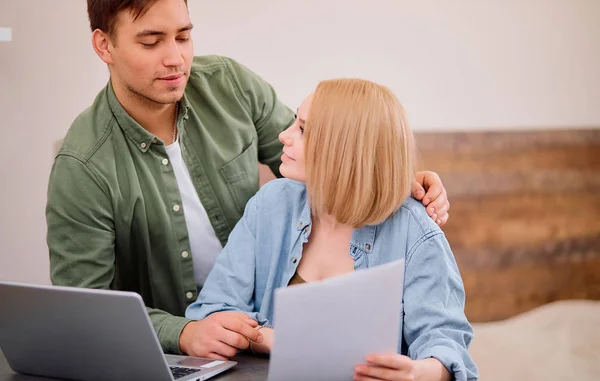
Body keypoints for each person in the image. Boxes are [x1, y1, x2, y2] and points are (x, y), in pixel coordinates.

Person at [47, 0, 451, 357]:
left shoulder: (231, 86)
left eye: (184, 37)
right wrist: (183, 332)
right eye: (151, 42)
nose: (175, 58)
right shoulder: (83, 165)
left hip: (253, 352)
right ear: (104, 46)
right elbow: (86, 309)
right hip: (166, 357)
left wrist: (386, 176)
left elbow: (323, 160)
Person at [186, 79, 477, 381]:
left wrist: (415, 374)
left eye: (302, 129)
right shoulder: (270, 205)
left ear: (345, 151)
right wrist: (274, 338)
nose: (284, 136)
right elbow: (214, 310)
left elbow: (448, 349)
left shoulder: (415, 230)